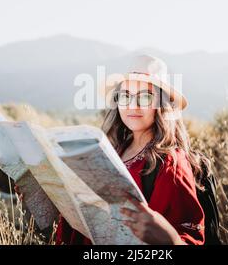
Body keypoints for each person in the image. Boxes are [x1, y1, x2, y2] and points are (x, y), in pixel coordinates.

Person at [54, 54, 207, 245]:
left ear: (162, 105)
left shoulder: (169, 164)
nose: (132, 105)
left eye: (145, 97)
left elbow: (190, 237)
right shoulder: (110, 153)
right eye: (125, 96)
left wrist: (171, 240)